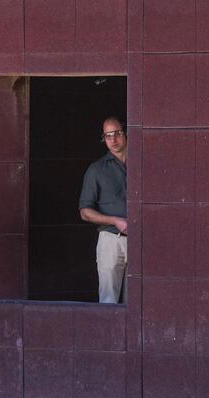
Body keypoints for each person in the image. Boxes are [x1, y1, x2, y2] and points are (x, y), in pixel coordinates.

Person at [79, 116, 128, 304]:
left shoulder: (142, 162)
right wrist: (115, 221)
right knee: (108, 300)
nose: (113, 140)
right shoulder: (96, 170)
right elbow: (84, 212)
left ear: (126, 133)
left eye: (117, 133)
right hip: (110, 241)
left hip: (141, 240)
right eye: (108, 136)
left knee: (139, 303)